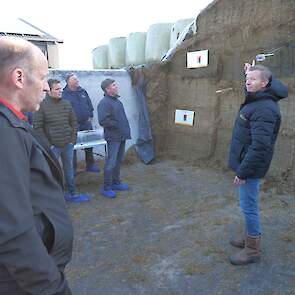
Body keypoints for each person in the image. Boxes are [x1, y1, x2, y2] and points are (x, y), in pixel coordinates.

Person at [0, 37, 73, 294]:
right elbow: (11, 230)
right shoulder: (3, 131)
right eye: (42, 78)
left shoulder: (12, 123)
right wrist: (53, 288)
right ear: (19, 78)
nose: (45, 87)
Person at [228, 63, 288, 265]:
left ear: (265, 83)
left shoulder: (264, 108)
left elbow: (260, 147)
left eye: (253, 79)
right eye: (247, 78)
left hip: (250, 167)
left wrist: (243, 172)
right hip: (247, 163)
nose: (248, 82)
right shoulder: (259, 98)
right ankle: (248, 238)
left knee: (249, 207)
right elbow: (255, 83)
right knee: (248, 205)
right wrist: (250, 72)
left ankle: (252, 248)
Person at [33, 78, 90, 203]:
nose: (60, 91)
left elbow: (73, 122)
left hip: (67, 145)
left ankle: (72, 194)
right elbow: (37, 128)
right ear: (49, 91)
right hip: (53, 147)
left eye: (60, 88)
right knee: (52, 173)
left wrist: (72, 140)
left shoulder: (66, 103)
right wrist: (48, 145)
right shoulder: (41, 106)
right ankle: (57, 198)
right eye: (57, 89)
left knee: (69, 171)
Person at [97, 78, 131, 198]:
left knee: (118, 160)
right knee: (111, 162)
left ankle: (116, 182)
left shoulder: (117, 101)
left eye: (116, 85)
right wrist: (117, 125)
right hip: (113, 137)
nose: (117, 87)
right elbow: (103, 121)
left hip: (121, 136)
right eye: (114, 85)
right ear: (107, 89)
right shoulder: (104, 103)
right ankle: (106, 187)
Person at [62, 73, 100, 173]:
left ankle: (90, 165)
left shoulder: (83, 91)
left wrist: (90, 116)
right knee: (73, 147)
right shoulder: (64, 94)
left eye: (77, 79)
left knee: (89, 144)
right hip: (73, 125)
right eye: (74, 79)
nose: (77, 81)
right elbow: (63, 110)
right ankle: (73, 169)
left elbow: (89, 104)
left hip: (86, 123)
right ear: (68, 81)